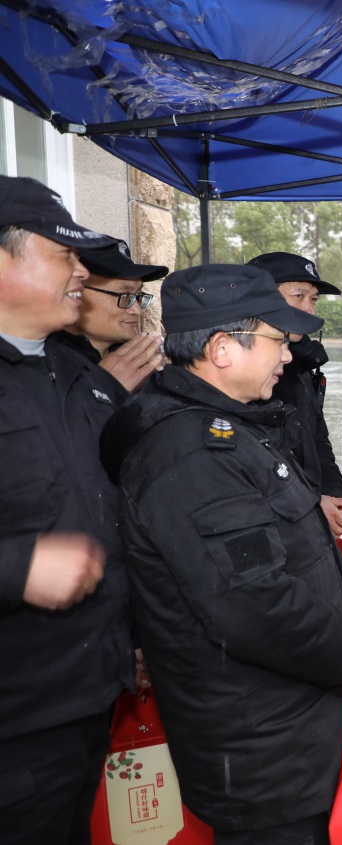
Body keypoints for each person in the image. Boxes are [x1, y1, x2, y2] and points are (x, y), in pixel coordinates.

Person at [100, 264, 342, 842]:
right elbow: (254, 607)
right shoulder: (192, 455)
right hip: (261, 750)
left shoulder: (234, 425)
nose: (288, 354)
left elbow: (306, 534)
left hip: (289, 722)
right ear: (222, 349)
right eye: (277, 339)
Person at [0, 175, 133, 845]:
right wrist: (18, 566)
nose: (82, 271)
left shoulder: (76, 375)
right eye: (63, 254)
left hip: (87, 701)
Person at [247, 251, 342, 537]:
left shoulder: (301, 363)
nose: (309, 309)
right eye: (299, 296)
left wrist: (334, 492)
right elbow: (258, 462)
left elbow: (317, 438)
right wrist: (311, 502)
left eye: (313, 299)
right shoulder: (246, 375)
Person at [60, 236, 166, 392]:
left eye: (138, 296)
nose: (137, 310)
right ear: (74, 291)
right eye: (125, 296)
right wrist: (103, 387)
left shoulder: (140, 367)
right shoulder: (42, 365)